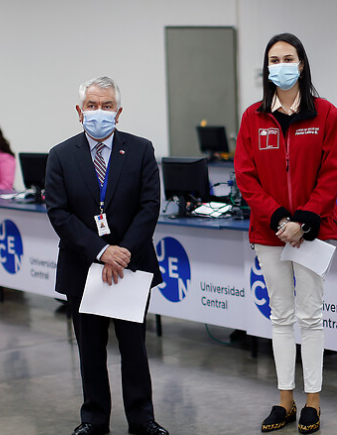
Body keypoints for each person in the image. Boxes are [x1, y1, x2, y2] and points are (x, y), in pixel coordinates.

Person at [45, 76, 168, 435]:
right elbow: (59, 213)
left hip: (131, 265)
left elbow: (150, 205)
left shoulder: (141, 149)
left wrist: (122, 252)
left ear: (119, 111)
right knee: (90, 350)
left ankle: (142, 419)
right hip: (82, 267)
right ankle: (94, 419)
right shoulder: (60, 155)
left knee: (134, 348)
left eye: (107, 105)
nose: (99, 111)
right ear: (79, 111)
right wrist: (101, 251)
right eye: (92, 105)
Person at [234, 33, 337, 434]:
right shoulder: (253, 117)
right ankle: (285, 399)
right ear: (267, 68)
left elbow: (331, 173)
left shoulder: (326, 114)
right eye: (274, 59)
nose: (280, 65)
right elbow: (245, 177)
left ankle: (313, 400)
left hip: (314, 231)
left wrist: (304, 221)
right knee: (280, 316)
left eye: (288, 58)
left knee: (310, 316)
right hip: (270, 233)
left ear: (301, 64)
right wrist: (280, 218)